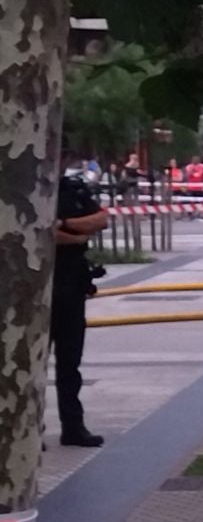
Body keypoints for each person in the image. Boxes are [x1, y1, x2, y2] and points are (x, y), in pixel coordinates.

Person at [52, 151, 111, 447]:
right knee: (29, 364)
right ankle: (26, 430)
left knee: (70, 362)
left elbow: (101, 219)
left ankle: (73, 427)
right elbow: (37, 232)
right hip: (38, 288)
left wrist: (64, 223)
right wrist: (76, 235)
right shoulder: (25, 189)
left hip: (72, 285)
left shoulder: (73, 188)